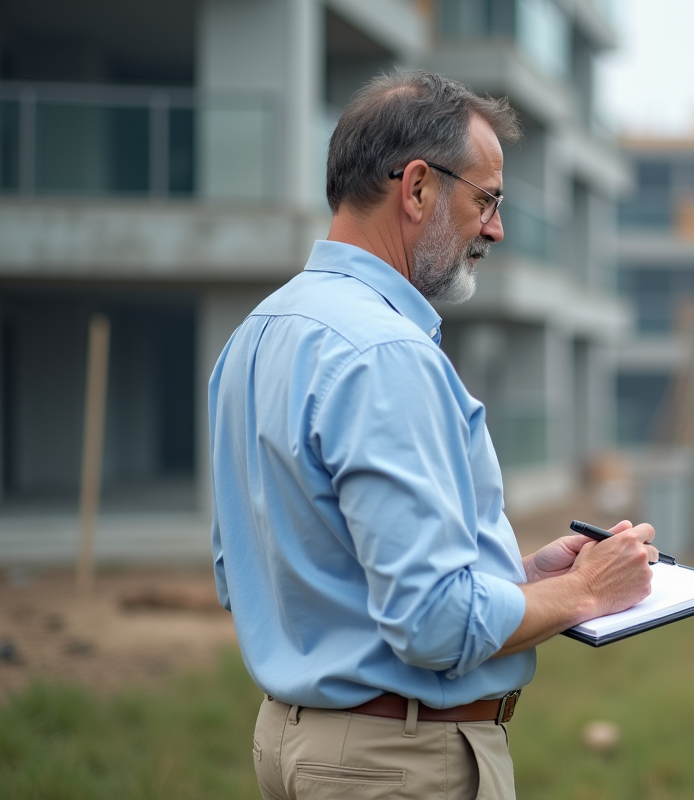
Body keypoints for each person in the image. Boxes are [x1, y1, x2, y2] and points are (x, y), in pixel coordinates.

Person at [208, 69, 658, 800]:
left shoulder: (255, 336)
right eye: (487, 199)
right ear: (417, 187)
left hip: (294, 743)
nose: (497, 228)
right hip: (395, 764)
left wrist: (520, 579)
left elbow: (257, 571)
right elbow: (434, 622)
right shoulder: (387, 355)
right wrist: (582, 592)